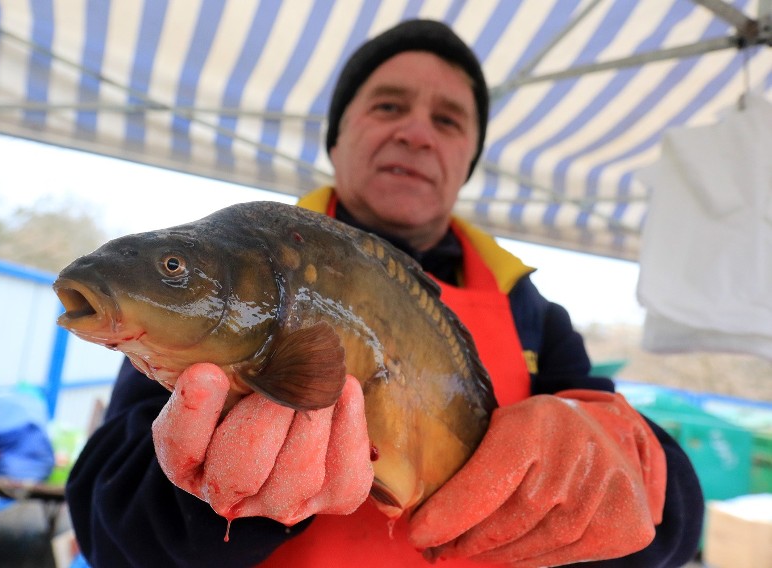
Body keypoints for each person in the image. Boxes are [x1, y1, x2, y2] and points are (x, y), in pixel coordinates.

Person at [66, 19, 704, 567]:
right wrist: (214, 496)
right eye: (388, 106)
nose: (416, 133)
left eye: (447, 120)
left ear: (465, 162)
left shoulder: (533, 314)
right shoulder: (234, 267)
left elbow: (672, 529)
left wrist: (633, 469)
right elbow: (104, 522)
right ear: (337, 139)